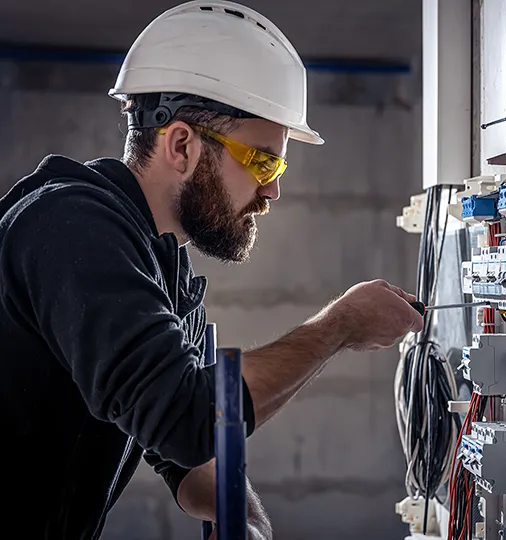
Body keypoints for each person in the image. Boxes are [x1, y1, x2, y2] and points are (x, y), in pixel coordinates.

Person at [0, 1, 423, 539]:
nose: (272, 190)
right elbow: (188, 415)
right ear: (181, 145)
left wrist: (245, 518)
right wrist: (337, 326)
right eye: (263, 161)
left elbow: (186, 450)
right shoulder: (68, 227)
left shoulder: (161, 271)